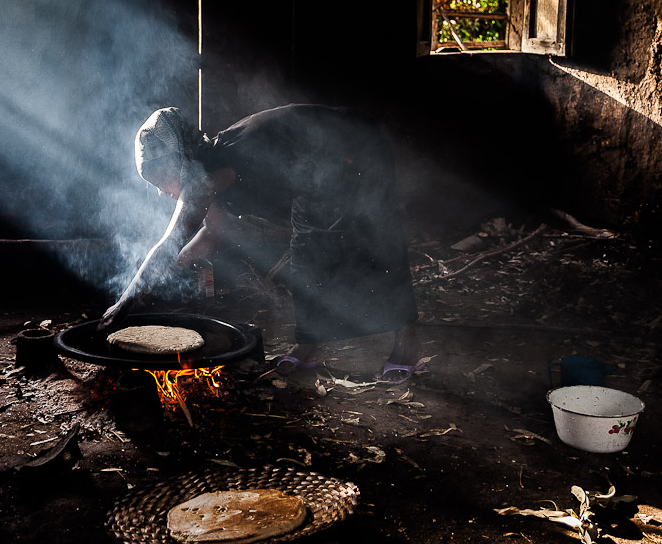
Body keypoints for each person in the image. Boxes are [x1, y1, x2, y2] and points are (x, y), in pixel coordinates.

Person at [99, 104, 422, 383]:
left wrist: (123, 304)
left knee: (374, 240)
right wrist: (178, 262)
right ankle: (307, 345)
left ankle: (407, 345)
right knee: (308, 252)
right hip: (313, 175)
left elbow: (170, 242)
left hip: (353, 148)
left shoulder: (203, 179)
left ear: (177, 163)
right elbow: (212, 231)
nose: (160, 192)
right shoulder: (208, 168)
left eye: (158, 181)